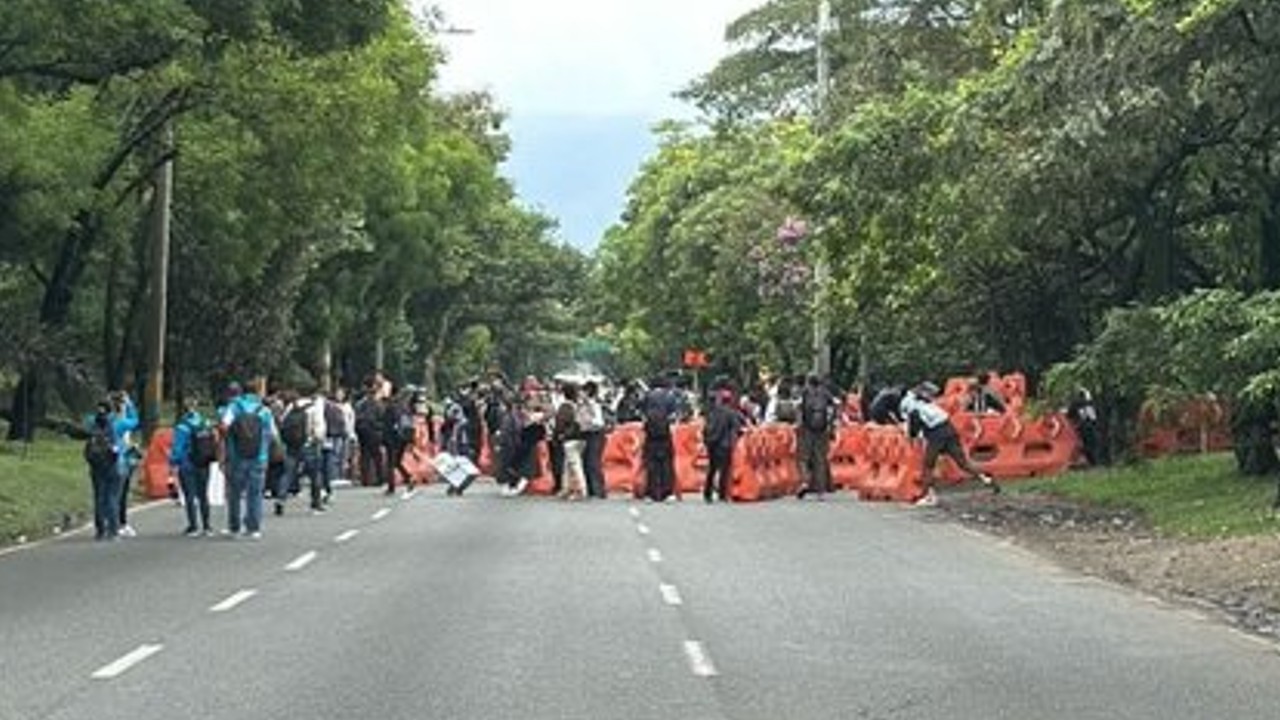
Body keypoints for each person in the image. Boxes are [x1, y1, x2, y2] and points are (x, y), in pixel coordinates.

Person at [900, 382, 998, 507]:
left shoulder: (910, 405)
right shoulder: (924, 402)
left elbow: (914, 423)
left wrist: (912, 436)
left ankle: (928, 496)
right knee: (963, 463)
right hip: (949, 427)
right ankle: (986, 478)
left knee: (927, 465)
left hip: (936, 433)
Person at [220, 382, 278, 539]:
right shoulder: (264, 410)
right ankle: (253, 528)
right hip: (259, 457)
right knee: (255, 493)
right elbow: (273, 434)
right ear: (258, 393)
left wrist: (231, 441)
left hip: (236, 457)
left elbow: (224, 426)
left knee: (235, 493)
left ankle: (234, 527)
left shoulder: (234, 407)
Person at [168, 399, 216, 536]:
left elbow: (177, 448)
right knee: (203, 495)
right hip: (204, 463)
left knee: (189, 495)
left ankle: (193, 526)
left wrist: (173, 463)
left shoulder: (182, 426)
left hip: (187, 464)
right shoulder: (205, 423)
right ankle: (207, 527)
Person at [280, 387, 327, 514]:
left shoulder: (291, 406)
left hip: (292, 445)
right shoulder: (314, 407)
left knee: (288, 472)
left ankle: (281, 498)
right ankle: (315, 503)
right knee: (315, 474)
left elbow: (282, 422)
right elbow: (319, 427)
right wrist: (318, 439)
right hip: (309, 444)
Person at [84, 400, 122, 541]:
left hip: (96, 467)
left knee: (99, 498)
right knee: (112, 497)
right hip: (111, 467)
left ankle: (100, 530)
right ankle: (113, 529)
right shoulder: (113, 425)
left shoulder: (92, 426)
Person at [107, 391, 141, 537]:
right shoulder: (121, 423)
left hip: (103, 461)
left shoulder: (105, 421)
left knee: (106, 494)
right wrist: (129, 403)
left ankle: (105, 524)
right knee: (119, 495)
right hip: (121, 462)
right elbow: (135, 420)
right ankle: (118, 524)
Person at [797, 375, 835, 499]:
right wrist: (830, 425)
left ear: (808, 382)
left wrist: (799, 425)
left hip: (807, 429)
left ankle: (805, 481)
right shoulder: (826, 393)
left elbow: (799, 408)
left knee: (803, 457)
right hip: (822, 430)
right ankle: (820, 491)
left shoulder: (805, 393)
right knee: (820, 459)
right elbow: (834, 407)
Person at [702, 389, 744, 503]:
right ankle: (722, 494)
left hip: (712, 443)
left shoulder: (712, 412)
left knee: (712, 469)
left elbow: (705, 428)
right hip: (724, 445)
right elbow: (737, 428)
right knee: (724, 470)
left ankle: (707, 493)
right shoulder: (731, 413)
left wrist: (706, 441)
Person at [641, 377, 679, 503]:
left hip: (650, 435)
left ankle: (651, 494)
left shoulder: (647, 396)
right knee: (666, 464)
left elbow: (642, 413)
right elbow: (674, 416)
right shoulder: (670, 397)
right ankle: (667, 493)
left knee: (651, 465)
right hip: (665, 434)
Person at [553, 384, 587, 501]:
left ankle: (580, 490)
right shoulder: (578, 406)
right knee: (569, 465)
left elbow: (560, 424)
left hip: (570, 439)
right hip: (581, 438)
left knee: (574, 465)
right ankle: (566, 489)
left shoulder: (564, 407)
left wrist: (559, 435)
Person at [354, 382, 387, 487]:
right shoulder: (378, 405)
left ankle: (365, 479)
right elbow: (382, 419)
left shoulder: (359, 404)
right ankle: (379, 478)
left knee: (365, 456)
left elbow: (357, 419)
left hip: (363, 433)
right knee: (377, 457)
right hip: (374, 433)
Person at [581, 381, 608, 499]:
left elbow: (599, 422)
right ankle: (591, 490)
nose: (581, 394)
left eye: (583, 391)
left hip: (596, 434)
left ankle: (599, 491)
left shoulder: (594, 405)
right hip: (589, 435)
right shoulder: (585, 404)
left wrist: (587, 421)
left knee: (593, 463)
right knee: (587, 461)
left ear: (588, 392)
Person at [1067, 387, 1101, 466]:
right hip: (1094, 426)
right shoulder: (1092, 403)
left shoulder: (1076, 403)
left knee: (1086, 445)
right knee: (1094, 445)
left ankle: (1090, 463)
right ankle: (1095, 462)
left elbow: (1069, 415)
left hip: (1084, 426)